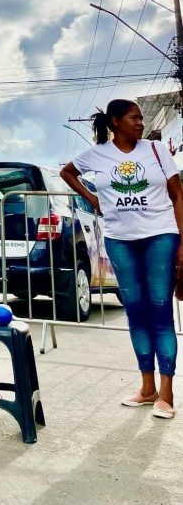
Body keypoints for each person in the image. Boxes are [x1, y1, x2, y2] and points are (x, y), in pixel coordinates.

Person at [61, 99, 183, 420]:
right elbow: (68, 172)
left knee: (159, 309)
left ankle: (167, 391)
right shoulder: (97, 154)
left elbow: (177, 195)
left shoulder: (156, 150)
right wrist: (91, 198)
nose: (140, 123)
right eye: (134, 118)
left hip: (161, 236)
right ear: (115, 122)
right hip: (119, 240)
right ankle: (147, 387)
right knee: (136, 311)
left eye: (141, 118)